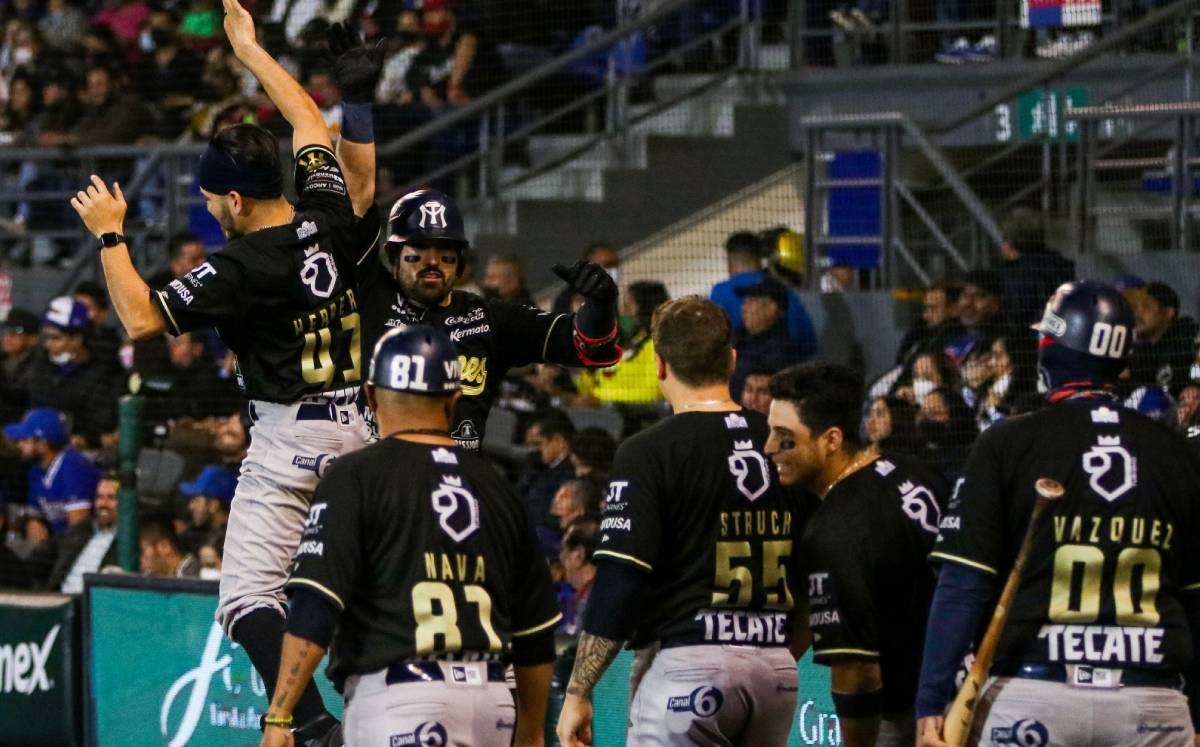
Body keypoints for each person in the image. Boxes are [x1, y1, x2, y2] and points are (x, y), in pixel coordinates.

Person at [68, 6, 384, 743]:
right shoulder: (327, 211)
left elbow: (143, 319)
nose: (211, 213)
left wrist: (110, 233)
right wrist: (250, 51)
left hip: (290, 444)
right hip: (363, 429)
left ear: (234, 200)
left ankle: (311, 727)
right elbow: (308, 118)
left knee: (246, 599)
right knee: (361, 590)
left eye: (214, 202)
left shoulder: (241, 264)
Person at [916, 280, 1200, 747]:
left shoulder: (1009, 441)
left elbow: (963, 584)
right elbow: (1195, 598)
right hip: (1152, 701)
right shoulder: (1174, 450)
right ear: (1122, 357)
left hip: (1034, 693)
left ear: (1051, 348)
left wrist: (929, 701)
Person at [261, 325, 560, 747]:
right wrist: (530, 733)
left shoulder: (355, 476)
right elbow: (535, 631)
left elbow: (315, 603)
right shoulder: (497, 487)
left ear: (369, 395)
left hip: (402, 698)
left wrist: (279, 715)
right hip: (492, 702)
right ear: (455, 400)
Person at [557, 296, 807, 747]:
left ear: (659, 365)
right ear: (732, 360)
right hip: (775, 669)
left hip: (689, 665)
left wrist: (579, 688)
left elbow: (620, 577)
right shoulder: (782, 443)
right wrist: (773, 657)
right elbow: (817, 564)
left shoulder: (648, 450)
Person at [355, 187, 621, 451]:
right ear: (393, 256)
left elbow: (582, 343)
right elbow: (355, 200)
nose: (433, 260)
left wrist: (600, 307)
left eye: (445, 249)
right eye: (420, 248)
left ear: (459, 260)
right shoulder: (368, 299)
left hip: (455, 478)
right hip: (378, 473)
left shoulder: (489, 318)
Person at [764, 362, 946, 746]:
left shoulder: (836, 530)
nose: (769, 448)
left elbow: (857, 670)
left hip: (910, 718)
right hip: (965, 695)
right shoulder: (913, 471)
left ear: (831, 439)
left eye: (784, 437)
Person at [709, 230, 818, 357]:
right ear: (760, 260)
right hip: (785, 369)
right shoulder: (780, 289)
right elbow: (807, 342)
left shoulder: (720, 293)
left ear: (729, 262)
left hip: (738, 371)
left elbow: (712, 343)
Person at [4, 407, 99, 535]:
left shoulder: (74, 467)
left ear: (43, 444)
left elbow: (79, 531)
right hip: (60, 544)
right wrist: (33, 521)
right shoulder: (36, 469)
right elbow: (36, 513)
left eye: (25, 439)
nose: (19, 444)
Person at [575, 280, 668, 406]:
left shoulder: (657, 346)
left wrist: (603, 400)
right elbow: (592, 387)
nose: (623, 312)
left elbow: (654, 392)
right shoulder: (627, 343)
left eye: (628, 306)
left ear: (644, 308)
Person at [47, 472, 120, 593]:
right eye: (99, 497)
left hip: (94, 605)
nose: (103, 504)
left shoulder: (130, 541)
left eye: (111, 498)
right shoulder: (80, 530)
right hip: (60, 601)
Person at [731, 278, 804, 400]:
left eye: (752, 301)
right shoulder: (737, 337)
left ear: (772, 308)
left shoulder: (779, 350)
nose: (744, 308)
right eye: (745, 301)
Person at [1128, 280, 1198, 390]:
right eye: (1136, 307)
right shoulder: (1139, 355)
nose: (1138, 313)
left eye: (1147, 306)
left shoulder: (1188, 333)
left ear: (1168, 313)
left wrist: (1196, 385)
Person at [178, 463, 237, 555]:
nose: (191, 506)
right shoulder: (199, 534)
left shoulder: (231, 542)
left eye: (196, 500)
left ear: (213, 505)